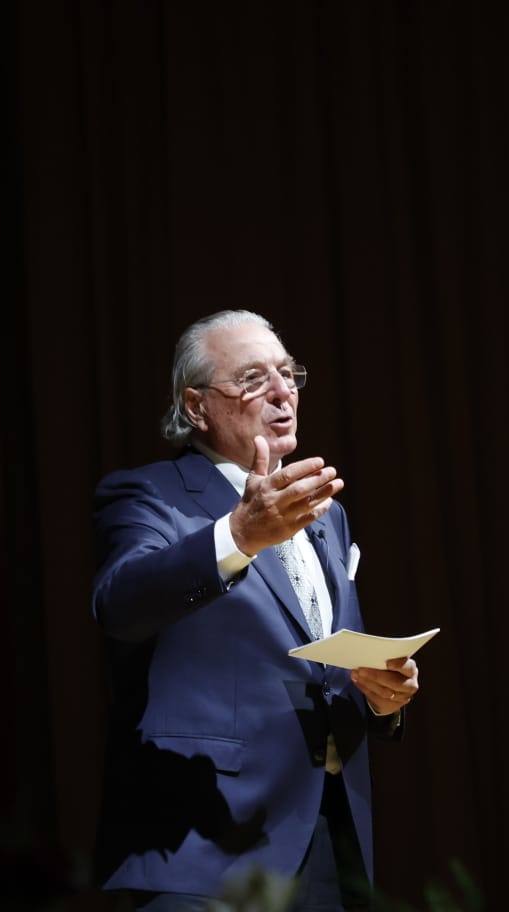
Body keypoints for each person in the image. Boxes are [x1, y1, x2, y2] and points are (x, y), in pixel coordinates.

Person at [91, 310, 421, 910]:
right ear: (197, 408)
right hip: (205, 848)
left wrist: (381, 695)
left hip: (330, 844)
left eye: (287, 374)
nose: (280, 392)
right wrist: (239, 536)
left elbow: (329, 667)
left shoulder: (325, 514)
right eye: (251, 378)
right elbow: (120, 604)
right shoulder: (151, 495)